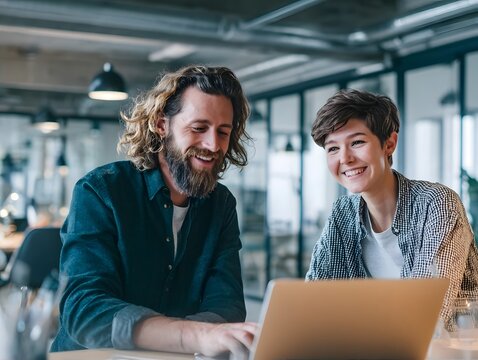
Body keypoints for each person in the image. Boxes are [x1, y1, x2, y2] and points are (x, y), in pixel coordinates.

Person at [51, 66, 257, 357]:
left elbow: (228, 304)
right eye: (199, 128)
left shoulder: (221, 204)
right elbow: (84, 309)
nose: (212, 145)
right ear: (162, 125)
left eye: (223, 132)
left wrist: (189, 338)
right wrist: (194, 336)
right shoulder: (101, 191)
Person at [305, 89, 478, 324]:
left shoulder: (435, 203)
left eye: (357, 142)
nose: (345, 158)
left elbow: (428, 311)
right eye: (333, 148)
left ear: (389, 144)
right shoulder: (342, 212)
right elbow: (314, 299)